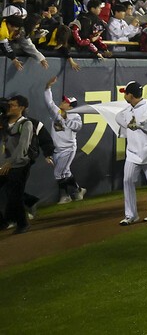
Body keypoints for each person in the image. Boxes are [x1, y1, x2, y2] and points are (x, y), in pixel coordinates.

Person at [116, 80, 147, 225]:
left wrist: (140, 125)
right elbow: (118, 117)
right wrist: (127, 124)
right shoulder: (128, 109)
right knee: (127, 181)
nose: (124, 96)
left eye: (125, 93)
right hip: (133, 153)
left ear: (131, 95)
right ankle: (131, 215)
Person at [43, 75, 85, 203]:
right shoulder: (57, 112)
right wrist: (48, 87)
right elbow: (49, 102)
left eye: (66, 102)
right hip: (56, 148)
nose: (62, 102)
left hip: (68, 149)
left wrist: (66, 118)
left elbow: (77, 127)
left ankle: (65, 196)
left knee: (58, 173)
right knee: (65, 172)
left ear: (71, 106)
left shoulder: (76, 116)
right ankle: (78, 190)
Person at [1, 95, 37, 234]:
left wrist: (9, 163)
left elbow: (22, 147)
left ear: (22, 108)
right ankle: (3, 222)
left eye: (13, 105)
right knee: (11, 195)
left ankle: (23, 224)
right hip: (3, 164)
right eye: (8, 104)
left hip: (19, 165)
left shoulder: (25, 124)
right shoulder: (3, 122)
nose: (9, 107)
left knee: (15, 195)